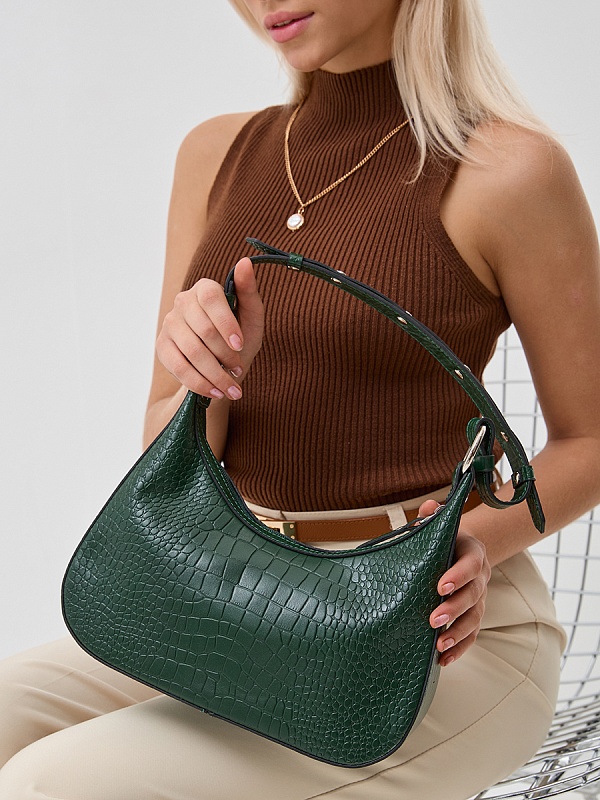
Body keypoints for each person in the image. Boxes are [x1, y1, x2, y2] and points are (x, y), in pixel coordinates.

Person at [1, 1, 599, 798]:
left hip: (426, 630)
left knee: (51, 784)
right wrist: (209, 375)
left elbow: (591, 439)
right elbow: (163, 439)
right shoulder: (215, 154)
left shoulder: (507, 171)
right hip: (233, 597)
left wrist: (473, 540)